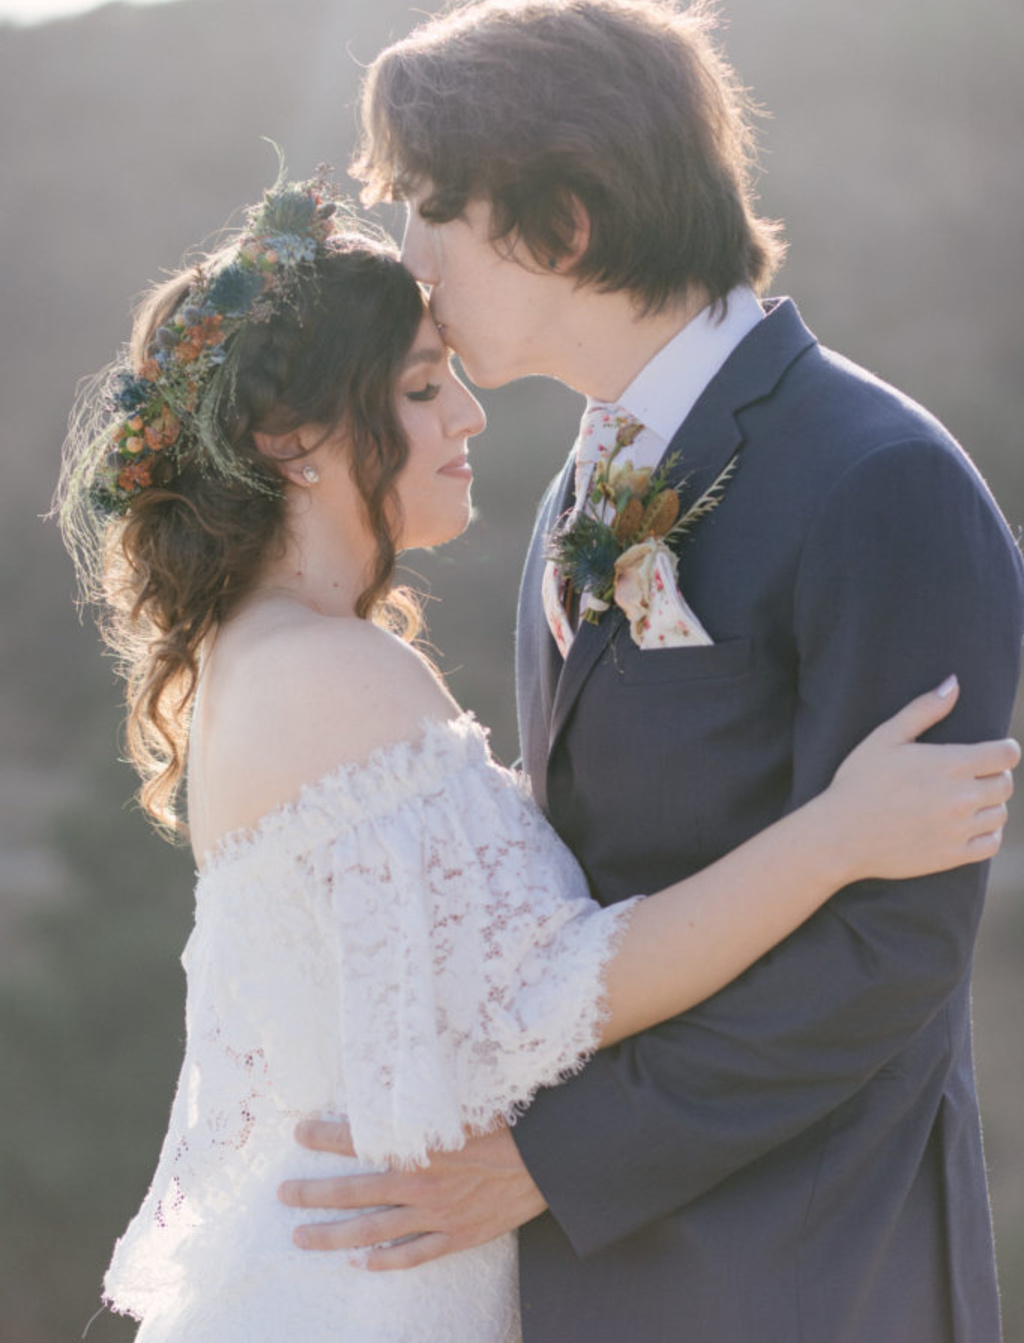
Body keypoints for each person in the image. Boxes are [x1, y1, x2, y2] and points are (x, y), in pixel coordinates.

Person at [56, 169, 1015, 1343]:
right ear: (289, 440)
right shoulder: (331, 672)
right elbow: (558, 992)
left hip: (363, 1256)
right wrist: (836, 836)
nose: (466, 415)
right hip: (376, 1282)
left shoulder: (270, 655)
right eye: (418, 387)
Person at [276, 3, 1024, 1341]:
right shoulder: (583, 478)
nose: (413, 261)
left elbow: (890, 948)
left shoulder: (880, 480)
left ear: (565, 223)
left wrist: (547, 1161)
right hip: (580, 1268)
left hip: (796, 1270)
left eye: (436, 208)